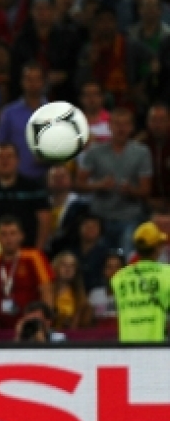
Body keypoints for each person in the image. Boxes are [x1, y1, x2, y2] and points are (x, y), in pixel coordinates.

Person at [76, 108, 153, 253]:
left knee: (128, 254)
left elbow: (146, 190)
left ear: (132, 127)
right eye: (117, 124)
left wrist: (131, 190)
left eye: (125, 124)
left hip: (129, 217)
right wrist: (98, 185)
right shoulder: (94, 151)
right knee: (99, 257)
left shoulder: (142, 152)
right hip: (100, 217)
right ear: (109, 126)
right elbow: (78, 185)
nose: (121, 129)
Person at [0, 215, 53, 333]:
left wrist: (46, 320)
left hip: (32, 327)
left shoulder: (34, 257)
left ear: (21, 236)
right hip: (2, 328)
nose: (9, 239)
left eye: (13, 233)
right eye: (4, 234)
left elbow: (46, 290)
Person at [111, 222, 170, 342]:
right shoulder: (167, 274)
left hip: (127, 345)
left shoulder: (118, 277)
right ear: (157, 248)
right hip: (156, 346)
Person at [0, 143, 47, 250]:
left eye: (9, 156)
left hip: (27, 250)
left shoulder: (33, 187)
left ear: (18, 160)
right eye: (0, 157)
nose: (5, 161)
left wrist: (38, 250)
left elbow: (44, 220)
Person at [49, 251, 92, 330]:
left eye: (72, 266)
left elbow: (77, 326)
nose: (68, 269)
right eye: (64, 264)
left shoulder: (80, 296)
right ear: (55, 266)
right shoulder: (46, 291)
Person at [88, 251, 124, 322]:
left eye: (117, 267)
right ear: (103, 270)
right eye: (109, 267)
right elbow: (86, 324)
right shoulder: (94, 294)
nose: (114, 271)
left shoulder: (131, 295)